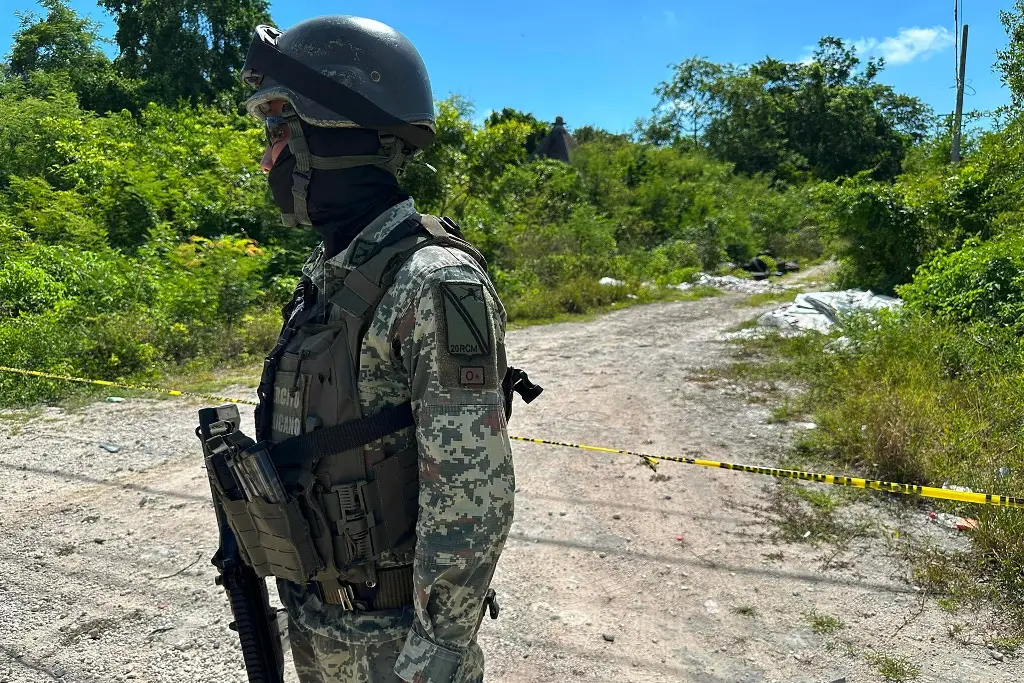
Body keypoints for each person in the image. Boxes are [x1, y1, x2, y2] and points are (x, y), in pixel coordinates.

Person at [225, 14, 539, 683]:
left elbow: (473, 497)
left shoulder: (431, 280)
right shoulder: (329, 279)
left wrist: (435, 655)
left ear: (334, 134)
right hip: (320, 627)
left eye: (280, 130)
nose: (266, 156)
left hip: (398, 652)